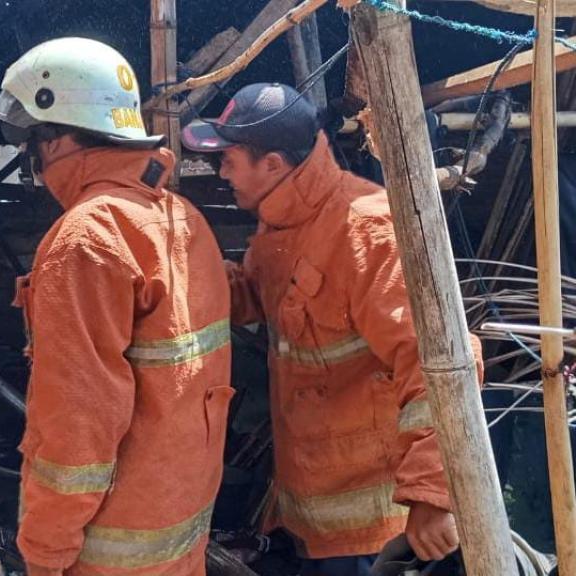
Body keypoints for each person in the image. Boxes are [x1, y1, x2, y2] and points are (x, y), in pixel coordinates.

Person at [182, 83, 482, 576]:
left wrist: (432, 492)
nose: (221, 171)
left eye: (229, 158)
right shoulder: (281, 227)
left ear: (273, 165)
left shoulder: (368, 230)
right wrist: (176, 274)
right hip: (310, 515)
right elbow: (259, 297)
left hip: (376, 527)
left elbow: (442, 362)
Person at [0, 37, 233, 575]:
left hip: (107, 553)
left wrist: (46, 550)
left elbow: (77, 423)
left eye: (34, 143)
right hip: (177, 530)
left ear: (53, 139)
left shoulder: (86, 238)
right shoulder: (180, 217)